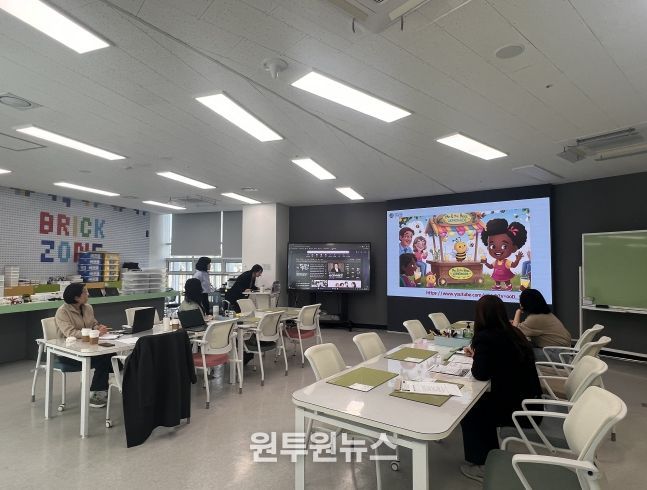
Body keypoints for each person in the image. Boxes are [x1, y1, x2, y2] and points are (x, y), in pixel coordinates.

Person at [459, 295, 542, 482]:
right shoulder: (514, 333)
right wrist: (480, 356)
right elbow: (500, 361)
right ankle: (488, 455)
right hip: (530, 402)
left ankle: (482, 465)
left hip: (518, 409)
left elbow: (480, 374)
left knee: (471, 409)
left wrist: (478, 356)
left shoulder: (485, 338)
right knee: (479, 403)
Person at [54, 283, 114, 408]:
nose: (88, 294)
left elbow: (93, 324)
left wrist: (98, 328)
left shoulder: (88, 308)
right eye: (85, 292)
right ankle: (98, 391)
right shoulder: (62, 312)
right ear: (76, 297)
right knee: (106, 359)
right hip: (69, 352)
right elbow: (70, 333)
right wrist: (93, 333)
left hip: (87, 348)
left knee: (110, 354)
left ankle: (101, 388)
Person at [512, 288, 571, 361]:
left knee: (518, 351)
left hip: (558, 355)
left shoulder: (535, 318)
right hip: (563, 352)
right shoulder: (545, 314)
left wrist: (518, 312)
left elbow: (514, 332)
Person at [480, 219, 527, 291]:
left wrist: (517, 259)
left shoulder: (506, 262)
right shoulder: (495, 262)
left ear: (513, 248)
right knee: (497, 280)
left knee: (506, 280)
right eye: (492, 246)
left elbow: (514, 265)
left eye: (504, 246)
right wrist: (485, 262)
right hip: (497, 275)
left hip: (505, 276)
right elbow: (490, 267)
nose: (497, 250)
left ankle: (509, 286)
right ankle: (497, 286)